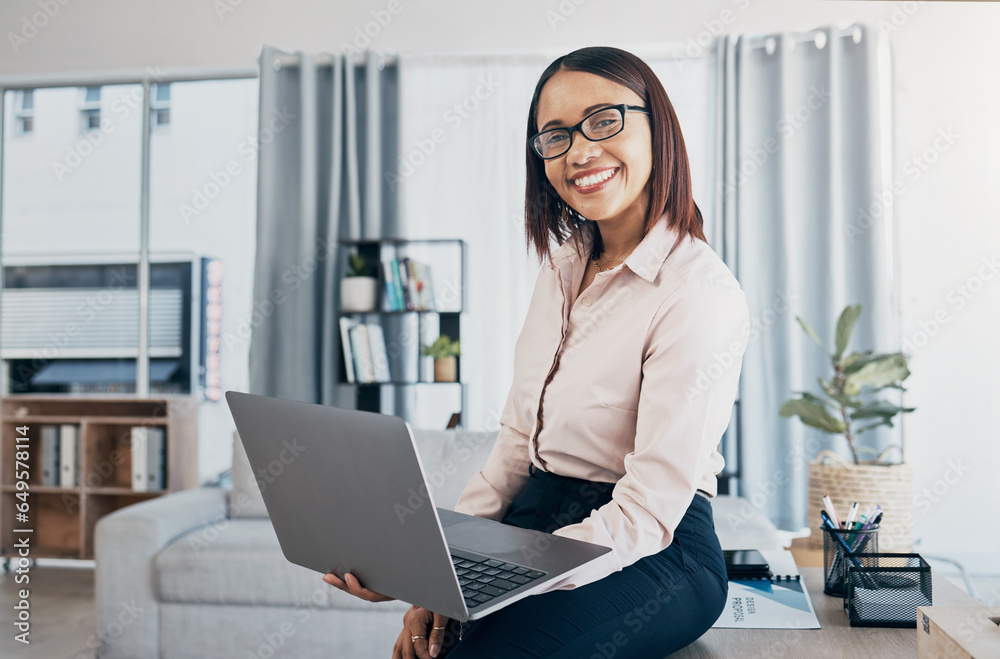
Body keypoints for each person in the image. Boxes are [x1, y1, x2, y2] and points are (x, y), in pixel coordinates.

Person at [323, 45, 750, 659]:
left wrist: (503, 578)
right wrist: (433, 572)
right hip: (540, 519)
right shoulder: (561, 267)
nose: (579, 151)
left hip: (655, 547)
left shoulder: (698, 293)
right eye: (555, 136)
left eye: (604, 121)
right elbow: (516, 446)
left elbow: (650, 511)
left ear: (659, 126)